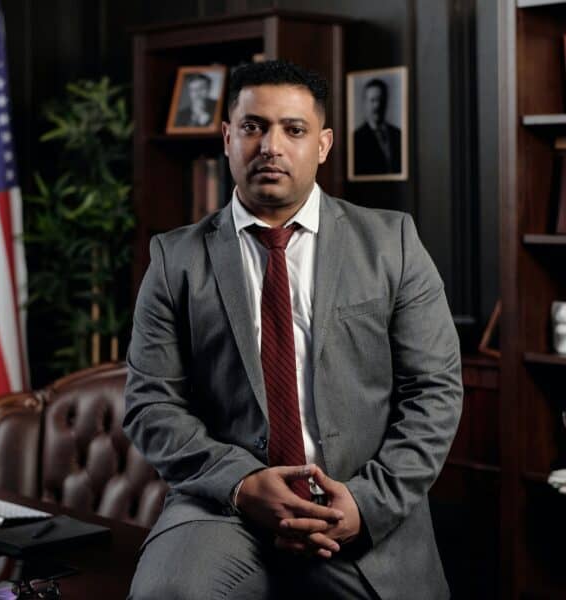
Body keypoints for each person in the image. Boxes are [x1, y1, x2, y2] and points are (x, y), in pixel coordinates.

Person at [124, 60, 462, 599]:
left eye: (294, 129)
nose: (271, 146)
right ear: (227, 137)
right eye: (254, 126)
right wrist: (241, 484)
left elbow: (436, 393)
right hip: (224, 508)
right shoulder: (175, 260)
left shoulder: (393, 244)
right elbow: (150, 405)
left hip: (357, 506)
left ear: (323, 144)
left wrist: (365, 502)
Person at [353, 78, 402, 175]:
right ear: (365, 103)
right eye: (372, 100)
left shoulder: (398, 134)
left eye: (381, 100)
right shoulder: (356, 139)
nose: (377, 105)